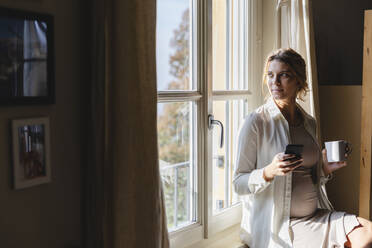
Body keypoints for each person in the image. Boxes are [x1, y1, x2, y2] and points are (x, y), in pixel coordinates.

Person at [233, 48, 372, 248]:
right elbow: (238, 183)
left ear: (299, 80)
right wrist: (268, 172)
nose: (275, 82)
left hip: (316, 215)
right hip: (282, 225)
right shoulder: (256, 122)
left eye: (284, 75)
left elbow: (311, 175)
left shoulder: (308, 122)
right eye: (271, 75)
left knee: (368, 234)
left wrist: (325, 167)